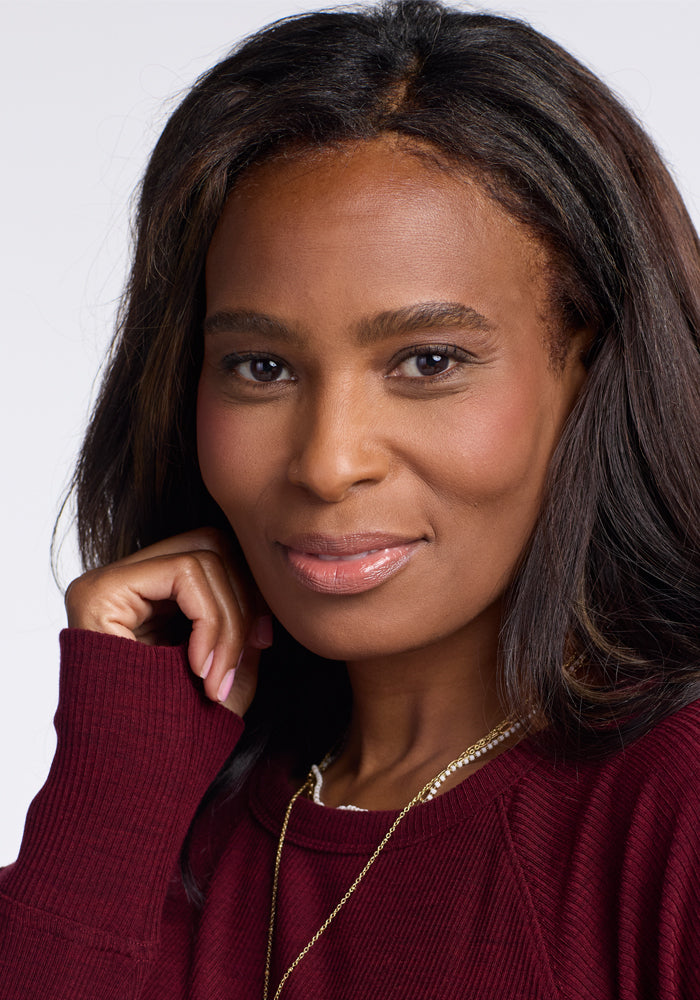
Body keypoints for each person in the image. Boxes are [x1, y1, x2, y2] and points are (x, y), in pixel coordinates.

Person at [1, 0, 698, 996]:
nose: (327, 463)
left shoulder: (669, 809)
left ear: (587, 370)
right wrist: (113, 777)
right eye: (261, 367)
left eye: (425, 360)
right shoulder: (165, 819)